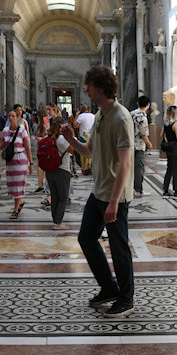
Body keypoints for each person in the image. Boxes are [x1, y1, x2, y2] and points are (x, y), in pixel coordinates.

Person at [64, 65, 137, 317]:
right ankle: (109, 288)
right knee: (86, 238)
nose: (86, 89)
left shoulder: (121, 117)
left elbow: (126, 163)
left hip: (116, 195)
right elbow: (89, 151)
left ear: (101, 87)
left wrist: (114, 202)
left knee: (118, 247)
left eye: (90, 85)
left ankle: (126, 298)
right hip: (99, 192)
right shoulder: (100, 115)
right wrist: (71, 139)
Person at [0, 105, 34, 218]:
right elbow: (1, 146)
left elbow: (27, 147)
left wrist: (31, 163)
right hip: (10, 162)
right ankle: (21, 201)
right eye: (9, 116)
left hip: (21, 160)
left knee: (18, 185)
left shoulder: (22, 129)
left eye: (13, 116)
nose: (11, 118)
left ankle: (15, 210)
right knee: (13, 185)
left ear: (17, 117)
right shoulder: (5, 131)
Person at [45, 113, 77, 229]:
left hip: (49, 171)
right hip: (62, 170)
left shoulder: (48, 137)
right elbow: (73, 151)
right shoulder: (62, 139)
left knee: (54, 196)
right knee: (63, 198)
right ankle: (58, 223)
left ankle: (55, 220)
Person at [131, 94, 153, 198]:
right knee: (139, 168)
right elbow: (143, 134)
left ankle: (131, 188)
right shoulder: (142, 117)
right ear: (148, 105)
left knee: (131, 168)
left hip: (129, 144)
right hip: (138, 145)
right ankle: (138, 190)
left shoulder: (131, 113)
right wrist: (149, 143)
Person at [161, 104, 177, 198]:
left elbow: (162, 135)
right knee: (176, 170)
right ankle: (176, 191)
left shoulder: (166, 124)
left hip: (169, 148)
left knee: (169, 169)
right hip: (176, 148)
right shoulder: (176, 123)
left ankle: (165, 189)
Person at [75, 103, 97, 174]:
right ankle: (91, 168)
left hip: (83, 136)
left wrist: (76, 115)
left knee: (83, 154)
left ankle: (85, 169)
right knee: (92, 153)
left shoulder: (81, 116)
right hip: (92, 136)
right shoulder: (93, 116)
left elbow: (75, 125)